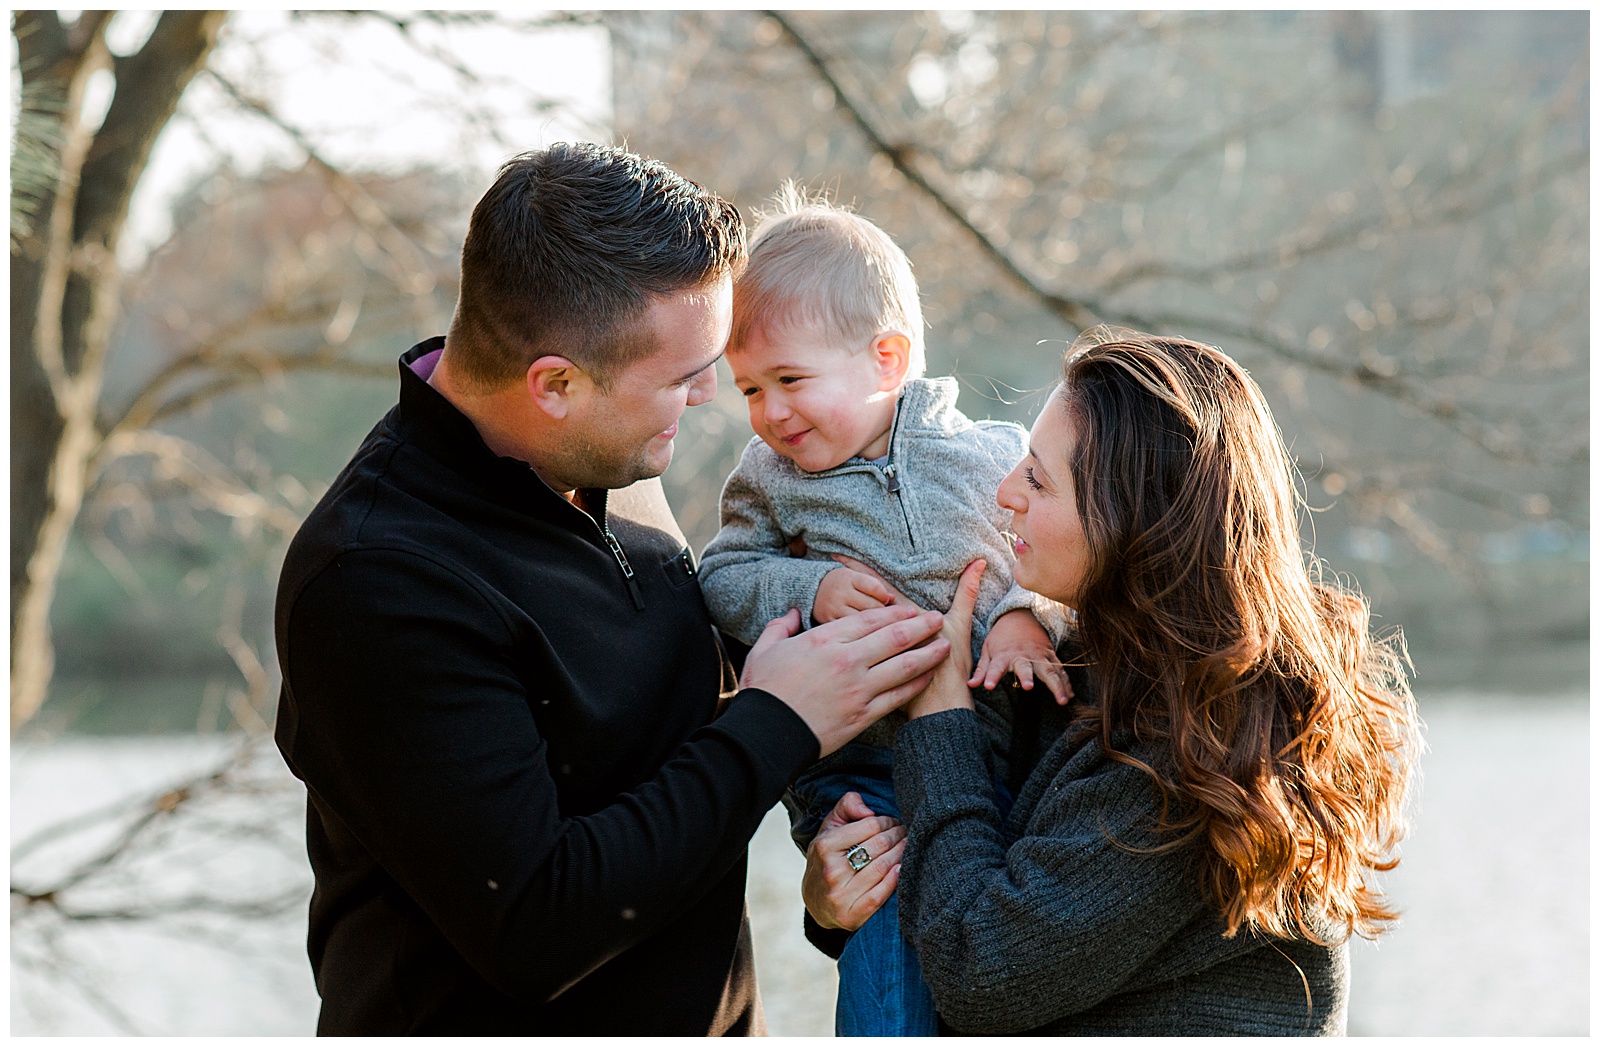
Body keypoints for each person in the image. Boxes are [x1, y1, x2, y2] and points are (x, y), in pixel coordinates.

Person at [272, 143, 954, 1035]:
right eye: (682, 376)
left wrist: (827, 894)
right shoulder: (376, 583)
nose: (711, 394)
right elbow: (537, 924)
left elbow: (663, 779)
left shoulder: (607, 457)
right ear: (555, 383)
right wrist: (776, 725)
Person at [802, 330, 1422, 1035]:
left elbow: (982, 968)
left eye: (1037, 478)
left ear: (1132, 520)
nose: (1004, 493)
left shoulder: (1205, 758)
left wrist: (937, 717)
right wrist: (841, 893)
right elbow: (965, 887)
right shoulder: (1077, 668)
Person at [697, 188, 1072, 1036]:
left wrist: (1020, 615)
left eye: (790, 379)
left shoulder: (989, 455)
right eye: (750, 388)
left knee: (992, 943)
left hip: (996, 755)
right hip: (862, 772)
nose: (770, 413)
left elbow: (1040, 563)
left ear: (887, 359)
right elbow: (722, 576)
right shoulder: (772, 478)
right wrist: (810, 590)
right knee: (888, 943)